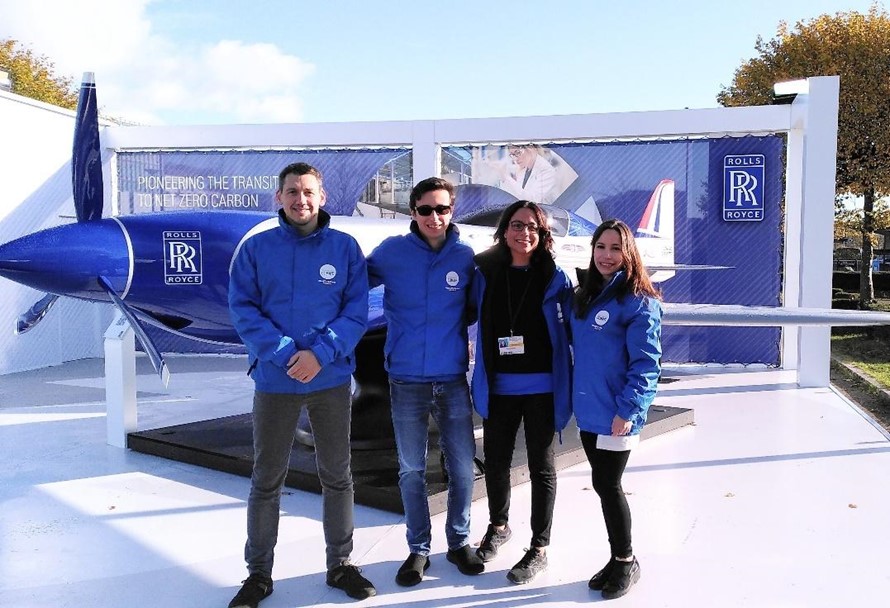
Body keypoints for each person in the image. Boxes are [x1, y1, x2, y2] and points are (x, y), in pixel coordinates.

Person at [227, 162, 375, 608]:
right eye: (292, 191)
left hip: (328, 380)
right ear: (279, 198)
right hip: (275, 381)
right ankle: (258, 575)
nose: (300, 199)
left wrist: (320, 354)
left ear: (322, 196)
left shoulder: (346, 248)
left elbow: (355, 312)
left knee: (337, 475)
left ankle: (341, 564)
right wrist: (287, 353)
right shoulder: (256, 250)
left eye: (308, 191)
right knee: (266, 478)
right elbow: (243, 309)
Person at [366, 177, 484, 586]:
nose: (434, 217)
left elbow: (472, 310)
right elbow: (349, 286)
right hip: (406, 381)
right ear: (412, 211)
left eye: (442, 209)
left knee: (463, 468)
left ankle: (459, 542)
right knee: (412, 469)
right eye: (425, 209)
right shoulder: (391, 253)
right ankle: (418, 549)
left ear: (452, 211)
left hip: (451, 378)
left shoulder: (466, 257)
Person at [470, 200, 573, 585]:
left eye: (532, 226)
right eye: (517, 225)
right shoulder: (484, 271)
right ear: (505, 229)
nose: (524, 232)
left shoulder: (554, 277)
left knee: (541, 467)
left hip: (542, 388)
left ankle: (539, 547)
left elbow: (576, 324)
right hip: (499, 387)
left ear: (542, 234)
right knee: (495, 462)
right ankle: (499, 526)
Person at [570, 219, 662, 600]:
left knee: (609, 485)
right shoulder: (586, 295)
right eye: (601, 247)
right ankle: (616, 558)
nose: (607, 256)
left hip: (616, 416)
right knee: (602, 484)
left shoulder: (639, 301)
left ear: (629, 254)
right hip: (589, 412)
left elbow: (647, 364)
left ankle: (626, 560)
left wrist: (628, 411)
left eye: (615, 248)